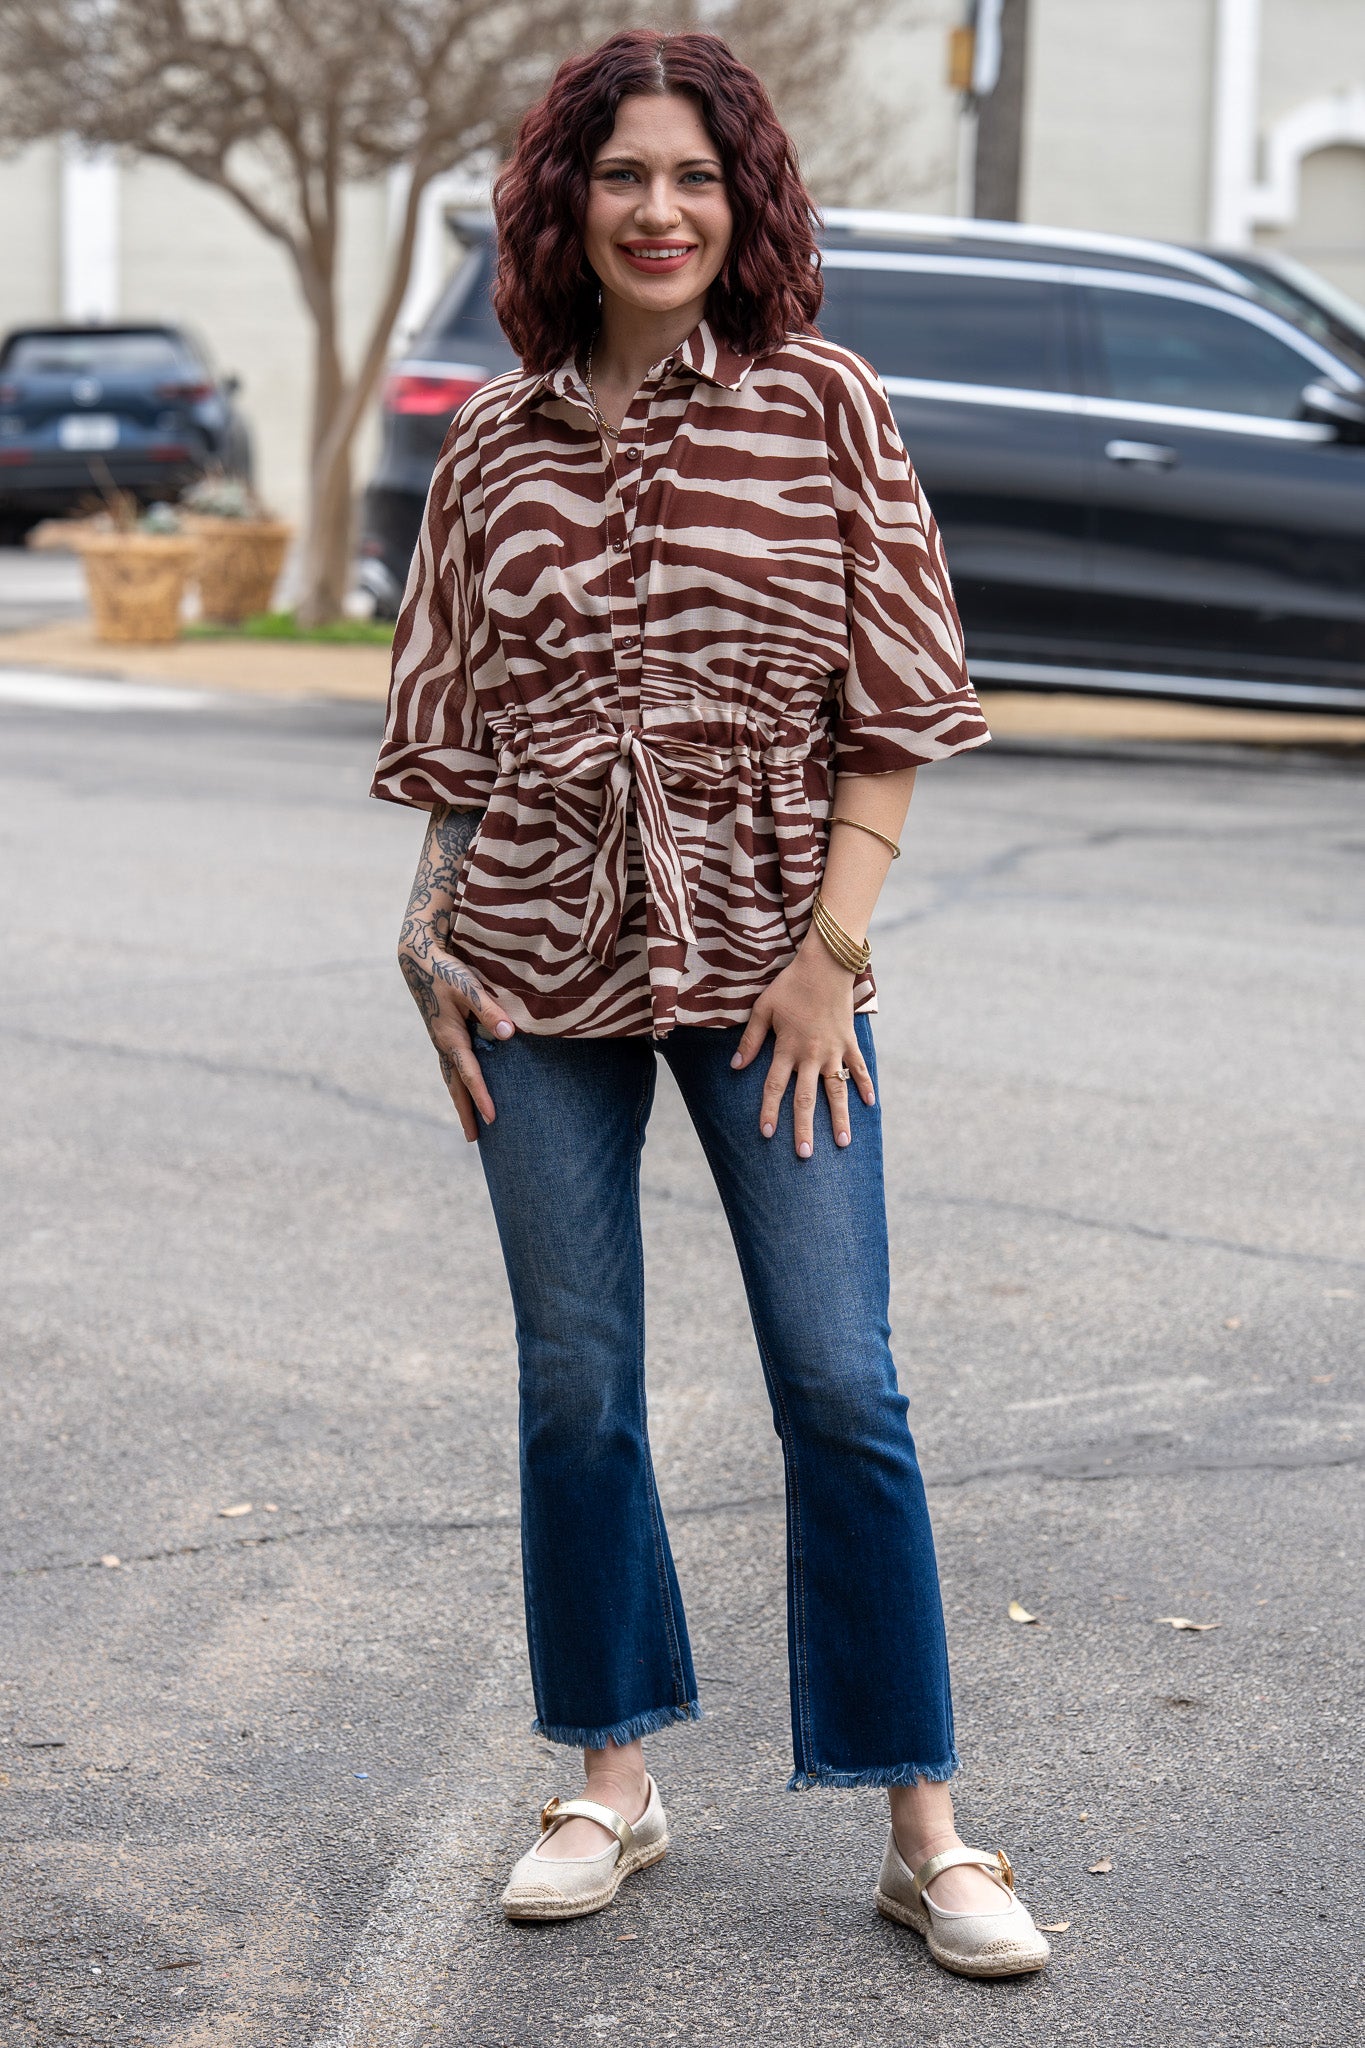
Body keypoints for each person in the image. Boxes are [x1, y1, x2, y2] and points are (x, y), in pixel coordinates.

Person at [372, 27, 1049, 1980]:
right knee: (575, 1381)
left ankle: (925, 1829)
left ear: (742, 202)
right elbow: (455, 731)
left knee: (840, 1378)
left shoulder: (821, 404)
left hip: (774, 962)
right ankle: (608, 1779)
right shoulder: (491, 446)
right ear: (563, 205)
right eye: (621, 177)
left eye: (693, 176)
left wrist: (831, 955)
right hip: (534, 956)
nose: (658, 211)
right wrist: (426, 934)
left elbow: (893, 706)